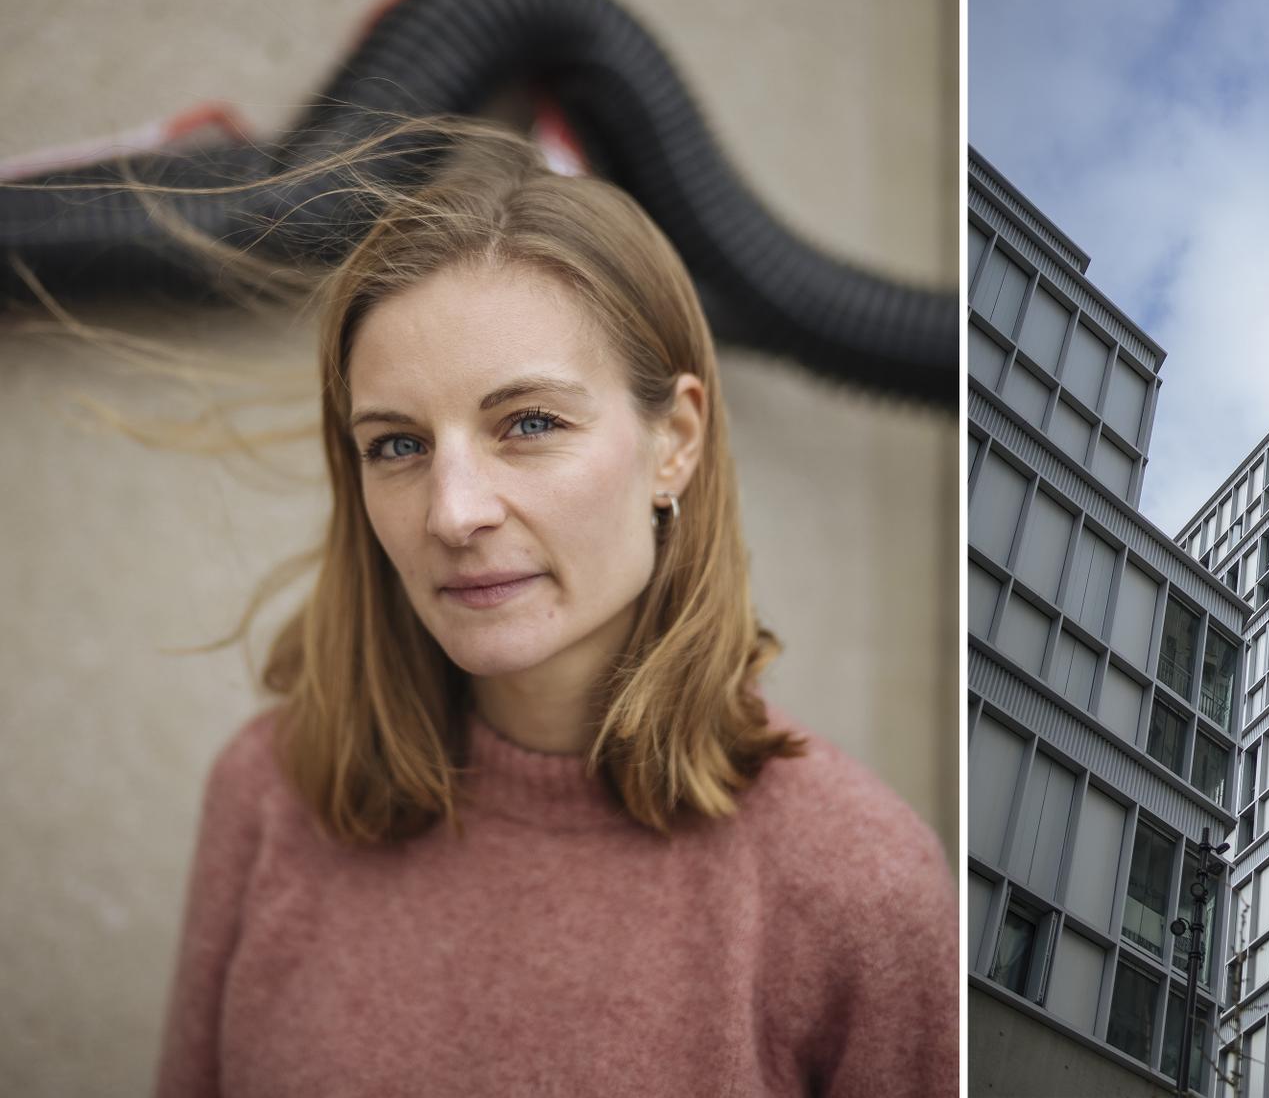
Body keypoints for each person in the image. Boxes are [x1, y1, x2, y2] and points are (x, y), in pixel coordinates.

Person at [145, 118, 959, 1096]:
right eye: (397, 444)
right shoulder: (270, 791)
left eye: (528, 423)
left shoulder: (860, 890)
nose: (453, 511)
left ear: (676, 441)